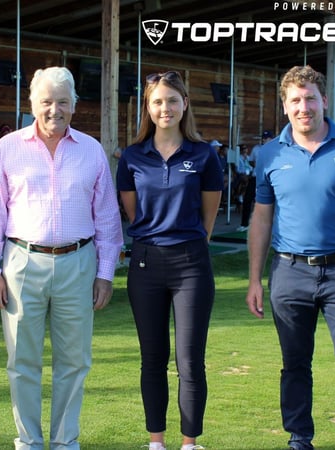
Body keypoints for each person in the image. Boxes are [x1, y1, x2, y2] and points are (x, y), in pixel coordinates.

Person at [0, 66, 123, 450]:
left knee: (74, 362)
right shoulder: (8, 148)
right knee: (22, 362)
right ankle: (28, 442)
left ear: (74, 105)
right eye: (46, 101)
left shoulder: (91, 150)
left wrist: (105, 273)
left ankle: (65, 443)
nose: (54, 109)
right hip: (22, 262)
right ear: (32, 104)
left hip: (79, 262)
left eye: (62, 101)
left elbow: (107, 216)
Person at [245, 65, 335, 450]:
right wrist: (254, 279)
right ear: (285, 105)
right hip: (289, 273)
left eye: (310, 98)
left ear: (324, 100)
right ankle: (299, 439)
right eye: (295, 100)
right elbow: (261, 218)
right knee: (294, 365)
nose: (303, 106)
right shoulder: (270, 153)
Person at [116, 70, 222, 450]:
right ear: (148, 107)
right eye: (158, 101)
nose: (166, 108)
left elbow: (209, 216)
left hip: (191, 263)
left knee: (190, 361)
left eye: (172, 100)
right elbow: (133, 215)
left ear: (185, 104)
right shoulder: (131, 157)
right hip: (146, 264)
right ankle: (156, 442)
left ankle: (190, 444)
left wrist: (185, 243)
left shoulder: (204, 154)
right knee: (153, 358)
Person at [235, 144, 255, 232]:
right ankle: (244, 224)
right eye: (243, 149)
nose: (245, 151)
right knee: (247, 200)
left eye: (245, 149)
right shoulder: (256, 149)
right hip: (251, 176)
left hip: (263, 177)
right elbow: (251, 163)